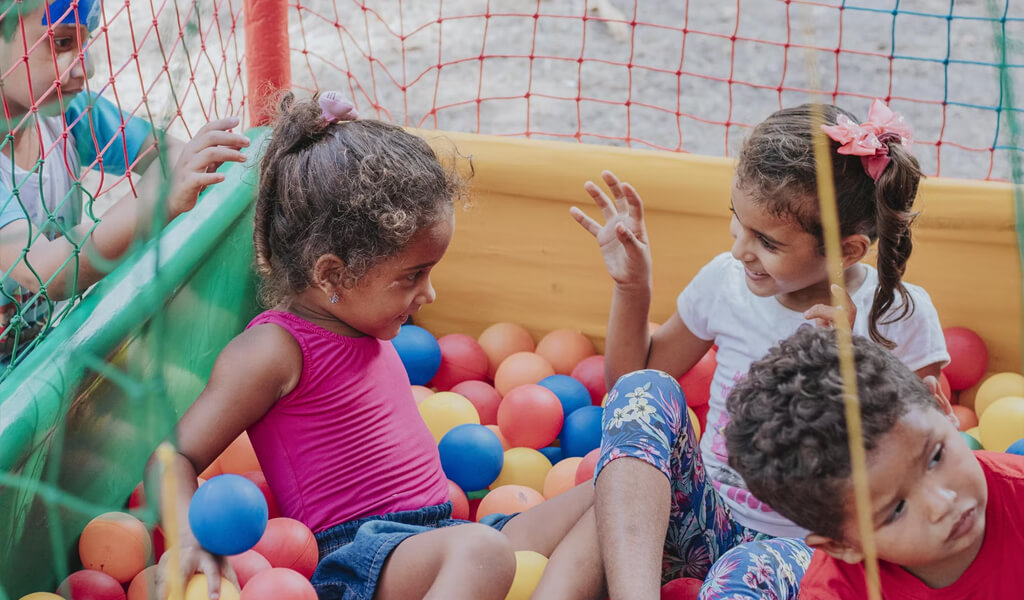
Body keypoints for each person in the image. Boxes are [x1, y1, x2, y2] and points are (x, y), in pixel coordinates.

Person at [150, 92, 593, 600]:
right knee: (482, 553)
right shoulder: (274, 349)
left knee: (612, 491)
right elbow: (172, 457)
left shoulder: (363, 321)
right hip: (359, 558)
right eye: (412, 276)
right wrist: (188, 535)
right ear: (332, 273)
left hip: (439, 541)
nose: (429, 294)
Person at [568, 100, 949, 598]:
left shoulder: (900, 315)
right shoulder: (725, 283)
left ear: (847, 250)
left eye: (766, 241)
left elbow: (922, 462)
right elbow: (627, 388)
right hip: (705, 523)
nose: (740, 250)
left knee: (745, 572)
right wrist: (633, 288)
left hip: (809, 554)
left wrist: (853, 363)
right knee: (647, 388)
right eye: (737, 222)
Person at [0, 0, 250, 365]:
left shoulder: (68, 114)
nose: (88, 66)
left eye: (87, 42)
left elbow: (170, 155)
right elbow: (50, 270)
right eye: (63, 43)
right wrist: (161, 202)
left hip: (38, 351)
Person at [716, 325, 1024, 599]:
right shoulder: (835, 592)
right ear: (843, 546)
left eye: (935, 458)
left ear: (941, 406)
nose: (942, 503)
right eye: (897, 509)